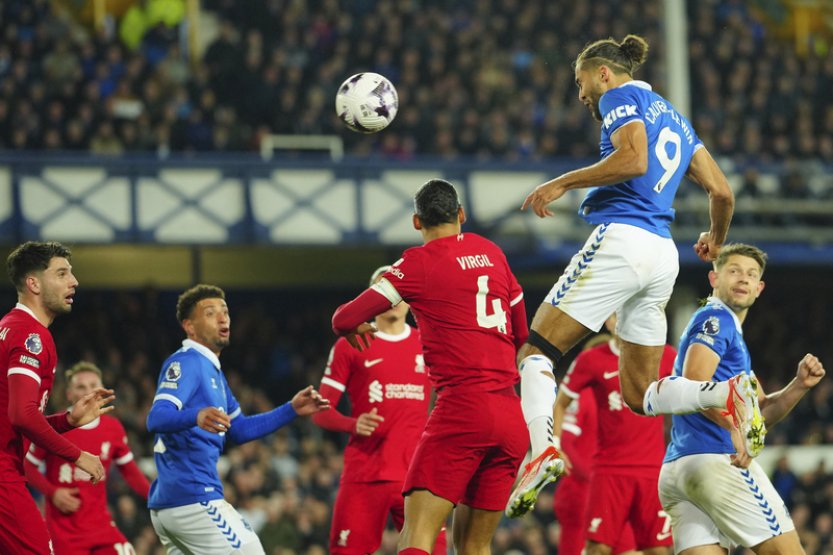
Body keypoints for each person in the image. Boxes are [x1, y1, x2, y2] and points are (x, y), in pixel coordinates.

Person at [506, 34, 758, 518]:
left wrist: (561, 181)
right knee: (640, 395)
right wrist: (716, 238)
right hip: (663, 254)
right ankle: (724, 391)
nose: (582, 98)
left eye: (582, 85)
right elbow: (722, 192)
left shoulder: (620, 96)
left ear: (603, 73)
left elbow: (634, 160)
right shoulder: (679, 122)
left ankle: (540, 449)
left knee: (535, 351)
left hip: (623, 239)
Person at [331, 179, 529, 555]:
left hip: (461, 412)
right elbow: (523, 337)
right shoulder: (492, 252)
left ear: (416, 223)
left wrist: (351, 323)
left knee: (417, 537)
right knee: (474, 546)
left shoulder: (417, 263)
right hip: (510, 414)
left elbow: (344, 318)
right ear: (462, 215)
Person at [658, 243, 826, 555]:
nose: (743, 279)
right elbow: (694, 384)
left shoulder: (731, 334)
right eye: (733, 271)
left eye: (751, 275)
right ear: (714, 279)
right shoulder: (715, 321)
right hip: (716, 459)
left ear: (759, 288)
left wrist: (800, 385)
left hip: (680, 469)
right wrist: (732, 427)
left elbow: (760, 412)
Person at [146, 284, 330, 554]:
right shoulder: (188, 362)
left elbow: (239, 429)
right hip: (193, 497)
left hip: (173, 503)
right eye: (210, 313)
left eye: (225, 312)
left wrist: (291, 409)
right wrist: (195, 415)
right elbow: (156, 418)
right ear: (190, 326)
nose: (223, 318)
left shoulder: (214, 373)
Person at [313, 266, 447, 555]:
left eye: (399, 293)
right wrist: (352, 424)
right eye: (384, 292)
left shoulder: (429, 343)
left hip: (417, 476)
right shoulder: (350, 344)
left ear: (409, 300)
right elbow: (320, 410)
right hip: (366, 474)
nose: (393, 300)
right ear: (371, 298)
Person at [0, 241, 114, 554]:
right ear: (33, 283)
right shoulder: (30, 335)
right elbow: (22, 415)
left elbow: (13, 419)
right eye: (62, 273)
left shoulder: (11, 328)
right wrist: (78, 455)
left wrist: (68, 420)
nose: (74, 281)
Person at [554, 315, 675, 555]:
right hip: (608, 471)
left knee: (658, 549)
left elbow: (692, 396)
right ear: (607, 320)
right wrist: (554, 444)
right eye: (615, 313)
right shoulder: (591, 360)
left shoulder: (666, 355)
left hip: (651, 470)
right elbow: (560, 403)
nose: (621, 319)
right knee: (597, 548)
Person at [25, 361, 151, 555]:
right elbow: (27, 467)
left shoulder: (113, 428)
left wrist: (156, 497)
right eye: (80, 387)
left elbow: (130, 471)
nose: (88, 392)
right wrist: (52, 492)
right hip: (64, 530)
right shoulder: (54, 427)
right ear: (69, 394)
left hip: (101, 526)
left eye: (93, 386)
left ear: (102, 391)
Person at [552, 334, 639, 555]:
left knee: (628, 546)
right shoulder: (582, 395)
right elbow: (567, 444)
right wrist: (595, 479)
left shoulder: (613, 398)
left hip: (609, 486)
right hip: (583, 492)